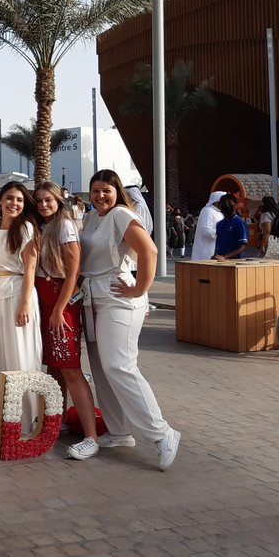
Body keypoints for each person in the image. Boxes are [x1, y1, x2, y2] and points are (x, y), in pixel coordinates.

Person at [81, 169, 180, 470]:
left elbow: (149, 250)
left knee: (119, 365)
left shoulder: (122, 214)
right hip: (92, 297)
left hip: (118, 297)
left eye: (106, 191)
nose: (100, 196)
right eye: (95, 191)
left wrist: (140, 288)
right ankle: (119, 430)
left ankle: (162, 433)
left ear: (117, 192)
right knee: (100, 367)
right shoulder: (90, 218)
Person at [33, 182, 98, 460]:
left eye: (48, 200)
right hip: (47, 299)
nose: (44, 204)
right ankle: (55, 421)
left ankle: (91, 437)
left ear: (59, 200)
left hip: (60, 300)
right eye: (39, 201)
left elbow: (73, 272)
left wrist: (59, 309)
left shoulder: (64, 226)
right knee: (54, 368)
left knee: (70, 368)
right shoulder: (47, 226)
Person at [0, 181, 41, 433]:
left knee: (20, 354)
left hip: (18, 293)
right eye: (9, 198)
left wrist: (25, 303)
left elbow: (30, 268)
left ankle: (27, 420)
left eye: (18, 199)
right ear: (0, 200)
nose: (13, 203)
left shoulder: (26, 228)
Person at [191, 191, 226, 261]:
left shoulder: (218, 213)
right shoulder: (208, 211)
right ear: (217, 202)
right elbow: (206, 232)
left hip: (215, 253)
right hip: (205, 255)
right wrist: (223, 231)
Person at [212, 193, 247, 260]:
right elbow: (218, 243)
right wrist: (215, 255)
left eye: (229, 203)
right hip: (219, 259)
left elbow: (243, 246)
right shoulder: (219, 224)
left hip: (234, 260)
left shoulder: (240, 223)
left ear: (235, 205)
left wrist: (225, 256)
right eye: (224, 203)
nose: (227, 205)